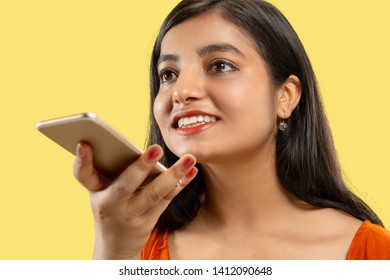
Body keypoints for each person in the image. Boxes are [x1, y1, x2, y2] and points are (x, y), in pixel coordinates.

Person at [73, 0, 390, 260]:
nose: (181, 91)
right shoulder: (136, 247)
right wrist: (113, 253)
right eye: (168, 74)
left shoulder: (372, 252)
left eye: (220, 66)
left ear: (286, 96)